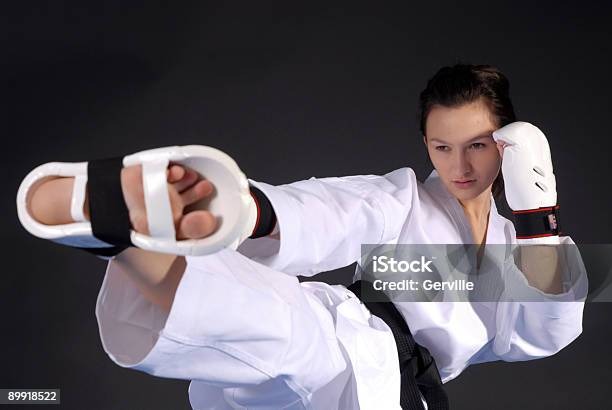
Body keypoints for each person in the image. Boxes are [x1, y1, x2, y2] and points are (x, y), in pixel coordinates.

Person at [23, 63, 587, 409]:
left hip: (393, 389)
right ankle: (116, 232)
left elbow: (547, 333)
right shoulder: (400, 199)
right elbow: (338, 211)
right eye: (441, 147)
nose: (458, 164)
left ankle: (133, 232)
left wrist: (541, 217)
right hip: (345, 342)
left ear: (509, 143)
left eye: (477, 145)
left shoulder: (519, 250)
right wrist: (256, 212)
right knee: (286, 323)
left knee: (285, 335)